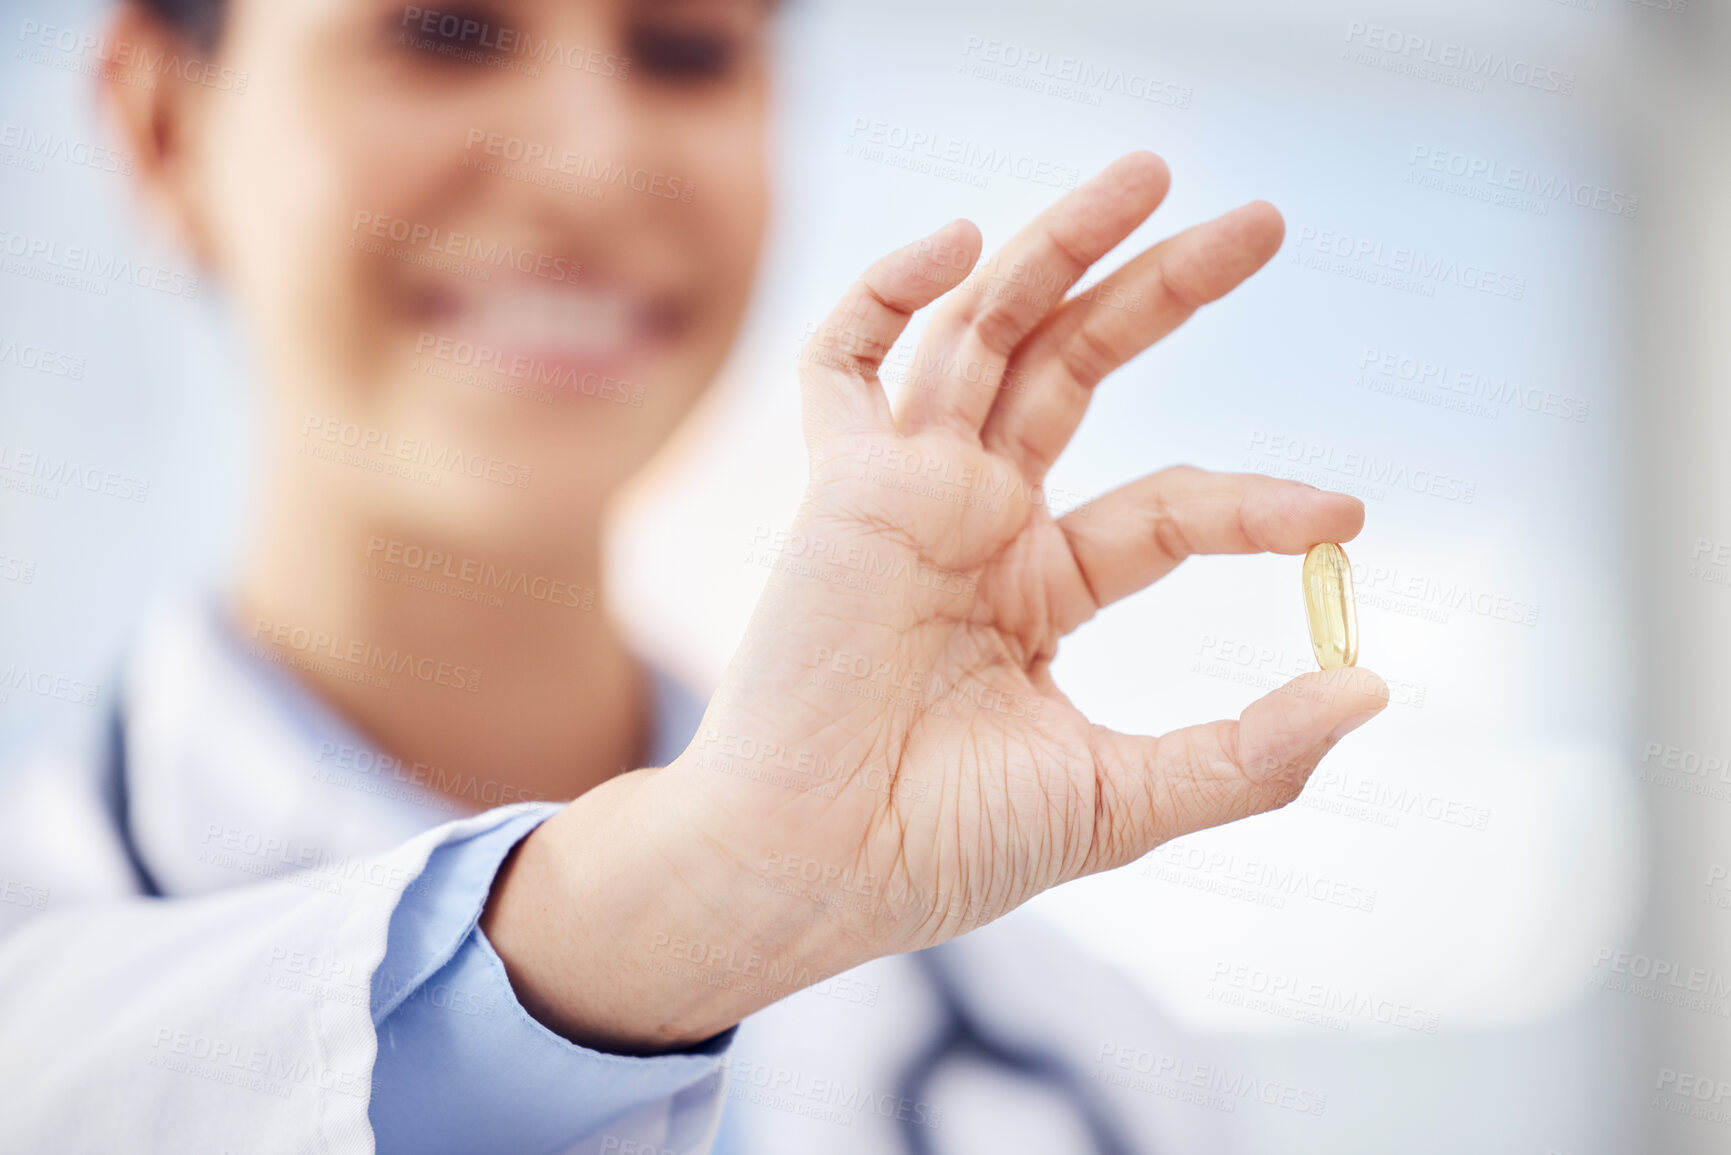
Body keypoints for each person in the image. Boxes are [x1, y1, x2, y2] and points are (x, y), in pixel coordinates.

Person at [0, 0, 1389, 1151]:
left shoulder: (1093, 1073)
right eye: (441, 32)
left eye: (683, 51)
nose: (593, 164)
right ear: (161, 126)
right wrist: (630, 943)